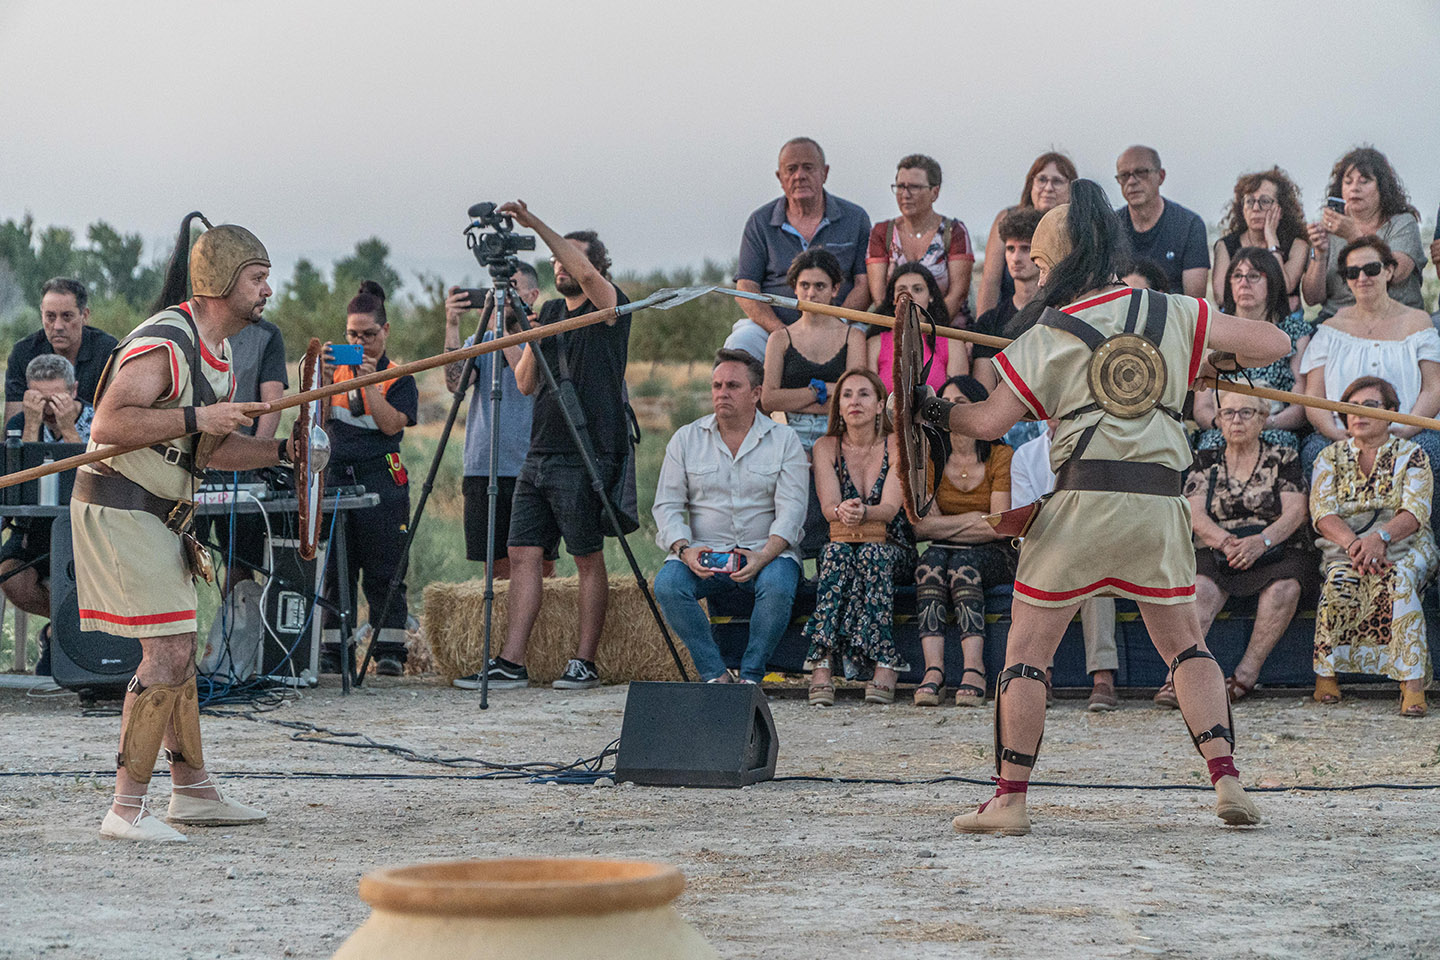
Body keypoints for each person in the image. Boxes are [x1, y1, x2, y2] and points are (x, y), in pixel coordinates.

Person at [916, 179, 1288, 834]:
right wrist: (1204, 360)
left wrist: (932, 410)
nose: (1036, 276)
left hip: (1081, 506)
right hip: (1158, 507)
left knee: (1026, 654)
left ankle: (1010, 799)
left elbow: (988, 421)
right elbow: (1276, 344)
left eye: (1040, 263)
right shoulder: (1174, 311)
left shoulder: (1047, 333)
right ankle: (1226, 778)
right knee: (1187, 646)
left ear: (1062, 261)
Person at [72, 216, 296, 841]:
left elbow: (208, 452)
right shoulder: (167, 342)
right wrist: (199, 415)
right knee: (167, 650)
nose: (267, 290)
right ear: (221, 281)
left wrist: (284, 453)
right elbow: (110, 423)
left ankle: (192, 792)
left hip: (159, 513)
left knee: (181, 647)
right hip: (122, 505)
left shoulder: (219, 353)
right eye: (257, 278)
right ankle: (125, 810)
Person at [483, 202, 631, 691]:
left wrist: (534, 225)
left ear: (595, 265)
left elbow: (586, 274)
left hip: (586, 451)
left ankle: (584, 661)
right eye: (555, 260)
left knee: (586, 556)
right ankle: (511, 661)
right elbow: (526, 381)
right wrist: (512, 330)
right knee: (522, 552)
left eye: (568, 256)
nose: (560, 265)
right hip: (540, 451)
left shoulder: (611, 306)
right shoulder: (548, 312)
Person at [652, 350, 808, 683]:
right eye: (717, 385)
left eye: (733, 386)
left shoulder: (784, 440)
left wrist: (764, 555)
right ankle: (716, 675)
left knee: (778, 587)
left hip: (766, 552)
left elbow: (793, 510)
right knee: (668, 585)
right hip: (704, 553)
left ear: (756, 393)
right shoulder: (686, 439)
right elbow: (666, 505)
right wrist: (684, 550)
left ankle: (751, 677)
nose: (722, 392)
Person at [1310, 376, 1437, 718]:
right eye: (1351, 406)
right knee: (1339, 579)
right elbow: (1322, 514)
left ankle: (1412, 684)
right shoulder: (1328, 457)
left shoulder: (1413, 455)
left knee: (1399, 580)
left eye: (1370, 406)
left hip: (1406, 542)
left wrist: (1379, 539)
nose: (1358, 413)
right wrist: (1357, 545)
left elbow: (1415, 512)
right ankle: (1326, 675)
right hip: (1346, 545)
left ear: (1392, 412)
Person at [1179, 390, 1311, 705]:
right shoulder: (1206, 460)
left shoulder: (1283, 457)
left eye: (1246, 412)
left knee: (1284, 589)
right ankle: (1179, 677)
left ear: (1263, 419)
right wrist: (1226, 542)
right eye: (1228, 413)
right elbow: (1194, 514)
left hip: (1274, 546)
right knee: (1199, 590)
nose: (1236, 420)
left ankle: (1245, 675)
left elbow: (1296, 512)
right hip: (1218, 547)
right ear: (1219, 420)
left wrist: (1261, 541)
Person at [319, 281, 419, 677]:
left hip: (381, 479)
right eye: (352, 336)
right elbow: (317, 421)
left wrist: (368, 382)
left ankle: (389, 649)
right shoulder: (334, 372)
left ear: (385, 331)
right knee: (334, 571)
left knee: (386, 569)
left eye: (369, 335)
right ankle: (333, 649)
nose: (360, 343)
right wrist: (323, 380)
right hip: (336, 477)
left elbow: (392, 424)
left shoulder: (398, 376)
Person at [804, 369, 916, 706]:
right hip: (844, 541)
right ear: (838, 407)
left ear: (880, 404)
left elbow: (890, 509)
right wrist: (843, 510)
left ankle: (884, 661)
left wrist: (864, 512)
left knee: (871, 555)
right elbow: (828, 507)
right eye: (847, 395)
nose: (855, 401)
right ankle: (822, 663)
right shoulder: (826, 447)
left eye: (864, 394)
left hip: (892, 545)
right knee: (836, 554)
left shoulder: (897, 444)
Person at [1297, 237, 1440, 489]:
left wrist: (1407, 429)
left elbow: (1433, 387)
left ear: (1389, 271)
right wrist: (1334, 432)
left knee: (1430, 454)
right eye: (1352, 272)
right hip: (1342, 436)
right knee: (1315, 455)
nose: (1362, 278)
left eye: (1371, 269)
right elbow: (1313, 396)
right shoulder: (1329, 329)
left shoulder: (1418, 322)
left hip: (1408, 432)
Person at [441, 264, 553, 585]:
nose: (502, 296)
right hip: (484, 466)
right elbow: (455, 383)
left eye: (511, 287)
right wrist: (452, 325)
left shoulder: (540, 337)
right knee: (496, 570)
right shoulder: (481, 340)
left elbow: (527, 381)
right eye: (497, 288)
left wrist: (501, 332)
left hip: (530, 467)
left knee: (541, 567)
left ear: (532, 295)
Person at [911, 376, 1014, 707]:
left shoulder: (1000, 455)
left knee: (961, 566)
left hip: (996, 553)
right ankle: (934, 670)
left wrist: (945, 526)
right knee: (928, 566)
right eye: (943, 403)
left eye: (961, 403)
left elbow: (999, 528)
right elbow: (922, 528)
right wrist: (974, 519)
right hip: (945, 551)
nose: (950, 409)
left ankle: (974, 668)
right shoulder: (931, 457)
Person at [1008, 419, 1120, 712]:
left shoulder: (1100, 449)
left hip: (1090, 543)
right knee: (1042, 566)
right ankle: (1039, 673)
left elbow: (1104, 510)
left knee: (1094, 573)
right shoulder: (1026, 455)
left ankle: (1103, 676)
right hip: (1045, 546)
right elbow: (1025, 520)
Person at [727, 137, 871, 360]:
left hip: (841, 327)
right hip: (773, 329)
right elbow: (746, 288)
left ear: (825, 172)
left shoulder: (856, 218)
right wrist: (783, 334)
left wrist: (835, 324)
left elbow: (865, 284)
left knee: (872, 347)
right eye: (791, 169)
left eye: (808, 168)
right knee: (740, 343)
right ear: (780, 177)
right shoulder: (759, 222)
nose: (799, 176)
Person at [0, 355, 94, 674]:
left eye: (56, 398)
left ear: (74, 391)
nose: (49, 408)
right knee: (11, 575)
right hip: (35, 525)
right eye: (39, 399)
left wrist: (67, 429)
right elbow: (20, 482)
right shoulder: (20, 424)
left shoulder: (96, 420)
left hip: (84, 524)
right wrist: (31, 425)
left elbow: (93, 475)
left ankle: (65, 634)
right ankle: (64, 627)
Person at [198, 314, 288, 592]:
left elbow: (271, 405)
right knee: (180, 560)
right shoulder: (188, 327)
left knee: (240, 563)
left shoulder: (266, 335)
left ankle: (236, 616)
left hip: (241, 467)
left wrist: (258, 458)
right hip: (192, 466)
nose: (264, 294)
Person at [1192, 248, 1311, 451]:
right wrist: (1223, 423)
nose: (1244, 283)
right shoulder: (1214, 331)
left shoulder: (1296, 333)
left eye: (1254, 276)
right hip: (1223, 429)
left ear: (1273, 282)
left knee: (1279, 449)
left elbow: (1299, 406)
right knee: (1211, 447)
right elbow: (1202, 406)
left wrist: (1263, 423)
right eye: (1237, 276)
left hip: (1273, 427)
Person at [760, 249, 866, 454]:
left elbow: (856, 397)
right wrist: (822, 390)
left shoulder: (853, 337)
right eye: (804, 285)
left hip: (841, 433)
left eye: (820, 286)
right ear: (795, 288)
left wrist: (793, 401)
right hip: (789, 436)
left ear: (835, 289)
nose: (811, 294)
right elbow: (768, 399)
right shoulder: (780, 339)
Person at [1302, 147, 1426, 318]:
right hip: (1337, 318)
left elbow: (1396, 274)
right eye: (1348, 182)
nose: (1355, 188)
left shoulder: (1402, 223)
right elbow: (1312, 298)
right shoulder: (1329, 229)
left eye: (1364, 181)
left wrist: (1353, 236)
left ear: (1382, 187)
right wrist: (1320, 254)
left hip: (1395, 319)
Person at [864, 154, 975, 326]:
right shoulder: (882, 232)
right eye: (900, 187)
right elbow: (880, 298)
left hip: (946, 328)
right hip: (895, 328)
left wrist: (926, 331)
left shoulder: (953, 231)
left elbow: (958, 294)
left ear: (934, 192)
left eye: (914, 187)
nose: (905, 194)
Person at [976, 152, 1077, 318]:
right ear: (1031, 184)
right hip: (1009, 316)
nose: (1048, 188)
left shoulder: (1077, 228)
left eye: (1057, 181)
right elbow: (990, 281)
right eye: (1042, 180)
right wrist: (983, 326)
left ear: (1071, 188)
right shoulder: (1007, 218)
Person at [4, 277, 118, 422]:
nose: (58, 326)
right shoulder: (23, 352)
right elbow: (12, 428)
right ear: (42, 315)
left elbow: (115, 419)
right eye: (50, 317)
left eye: (67, 316)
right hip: (37, 434)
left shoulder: (106, 351)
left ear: (84, 315)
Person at [1114, 145, 1209, 298]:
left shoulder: (1189, 226)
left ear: (1161, 176)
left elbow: (1194, 300)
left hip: (1173, 311)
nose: (1131, 181)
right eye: (1124, 175)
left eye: (1141, 172)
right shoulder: (1109, 228)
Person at [1212, 168, 1309, 313]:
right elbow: (1221, 296)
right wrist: (1276, 300)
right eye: (1250, 201)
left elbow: (1285, 286)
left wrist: (1271, 239)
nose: (1256, 208)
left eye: (1265, 201)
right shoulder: (1226, 245)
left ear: (1281, 209)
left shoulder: (1298, 245)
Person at [867, 261, 967, 399]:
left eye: (918, 289)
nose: (909, 296)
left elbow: (956, 401)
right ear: (893, 299)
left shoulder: (953, 344)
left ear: (931, 296)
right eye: (902, 290)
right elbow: (870, 397)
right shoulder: (875, 344)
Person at [972, 208, 1045, 384]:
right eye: (1010, 249)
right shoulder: (989, 322)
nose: (1016, 258)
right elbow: (984, 389)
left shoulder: (1057, 314)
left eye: (1025, 249)